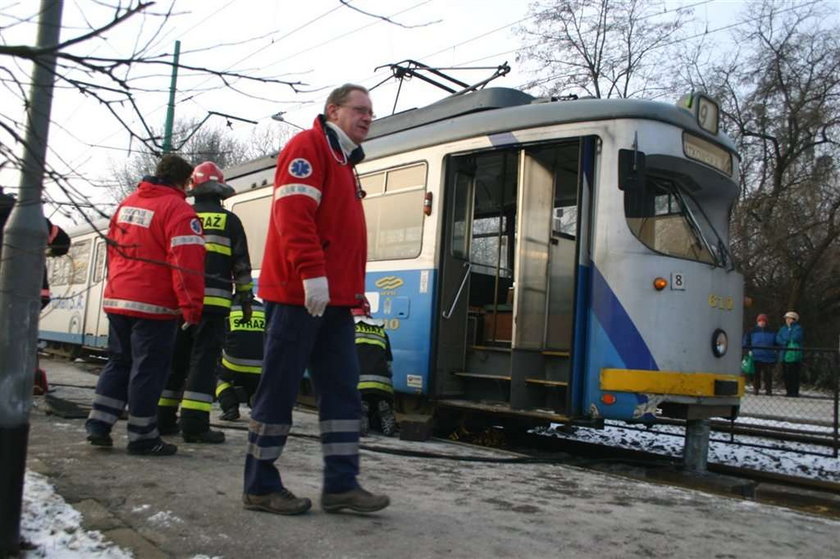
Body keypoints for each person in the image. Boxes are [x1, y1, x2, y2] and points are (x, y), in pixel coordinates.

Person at [243, 84, 389, 516]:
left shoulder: (344, 161)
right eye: (359, 110)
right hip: (297, 298)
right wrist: (312, 275)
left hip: (335, 301)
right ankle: (259, 485)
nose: (367, 118)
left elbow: (335, 232)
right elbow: (294, 217)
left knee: (343, 391)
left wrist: (345, 291)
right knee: (279, 389)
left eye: (370, 112)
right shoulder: (308, 147)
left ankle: (342, 485)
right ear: (333, 111)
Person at [85, 154, 205, 456]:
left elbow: (113, 252)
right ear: (184, 181)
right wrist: (191, 307)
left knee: (119, 361)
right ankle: (142, 436)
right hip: (154, 304)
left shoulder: (127, 204)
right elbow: (186, 263)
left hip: (118, 298)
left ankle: (98, 424)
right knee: (148, 369)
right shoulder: (178, 210)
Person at [158, 161, 254, 443]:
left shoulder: (181, 214)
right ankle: (194, 424)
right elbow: (242, 267)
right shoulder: (230, 221)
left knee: (175, 361)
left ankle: (163, 419)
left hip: (181, 304)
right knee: (203, 363)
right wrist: (246, 299)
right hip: (214, 307)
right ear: (220, 191)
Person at [1, 187, 71, 395]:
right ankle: (25, 379)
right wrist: (47, 251)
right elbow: (62, 242)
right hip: (29, 292)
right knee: (22, 337)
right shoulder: (23, 211)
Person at [216, 299, 265, 421]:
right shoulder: (262, 307)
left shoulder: (227, 306)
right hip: (261, 364)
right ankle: (256, 401)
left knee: (218, 377)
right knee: (254, 379)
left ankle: (230, 408)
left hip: (234, 364)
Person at [353, 305, 397, 436]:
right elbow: (388, 362)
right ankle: (382, 407)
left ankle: (360, 410)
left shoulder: (348, 329)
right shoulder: (382, 332)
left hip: (359, 382)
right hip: (383, 384)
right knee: (378, 396)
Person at [741, 313, 777, 395]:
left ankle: (768, 390)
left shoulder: (771, 331)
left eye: (763, 321)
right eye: (760, 321)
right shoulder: (751, 331)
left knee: (768, 375)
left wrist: (775, 351)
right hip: (756, 356)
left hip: (768, 357)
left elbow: (776, 342)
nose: (762, 322)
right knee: (756, 374)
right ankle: (756, 389)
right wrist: (749, 351)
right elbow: (746, 342)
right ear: (757, 322)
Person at [776, 311, 804, 397]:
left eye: (789, 318)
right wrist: (784, 341)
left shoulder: (798, 328)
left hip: (794, 356)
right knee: (786, 374)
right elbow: (778, 338)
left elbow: (795, 338)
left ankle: (794, 391)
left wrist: (786, 339)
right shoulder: (783, 328)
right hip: (784, 355)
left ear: (794, 319)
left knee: (794, 374)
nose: (787, 320)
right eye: (786, 318)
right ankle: (788, 391)